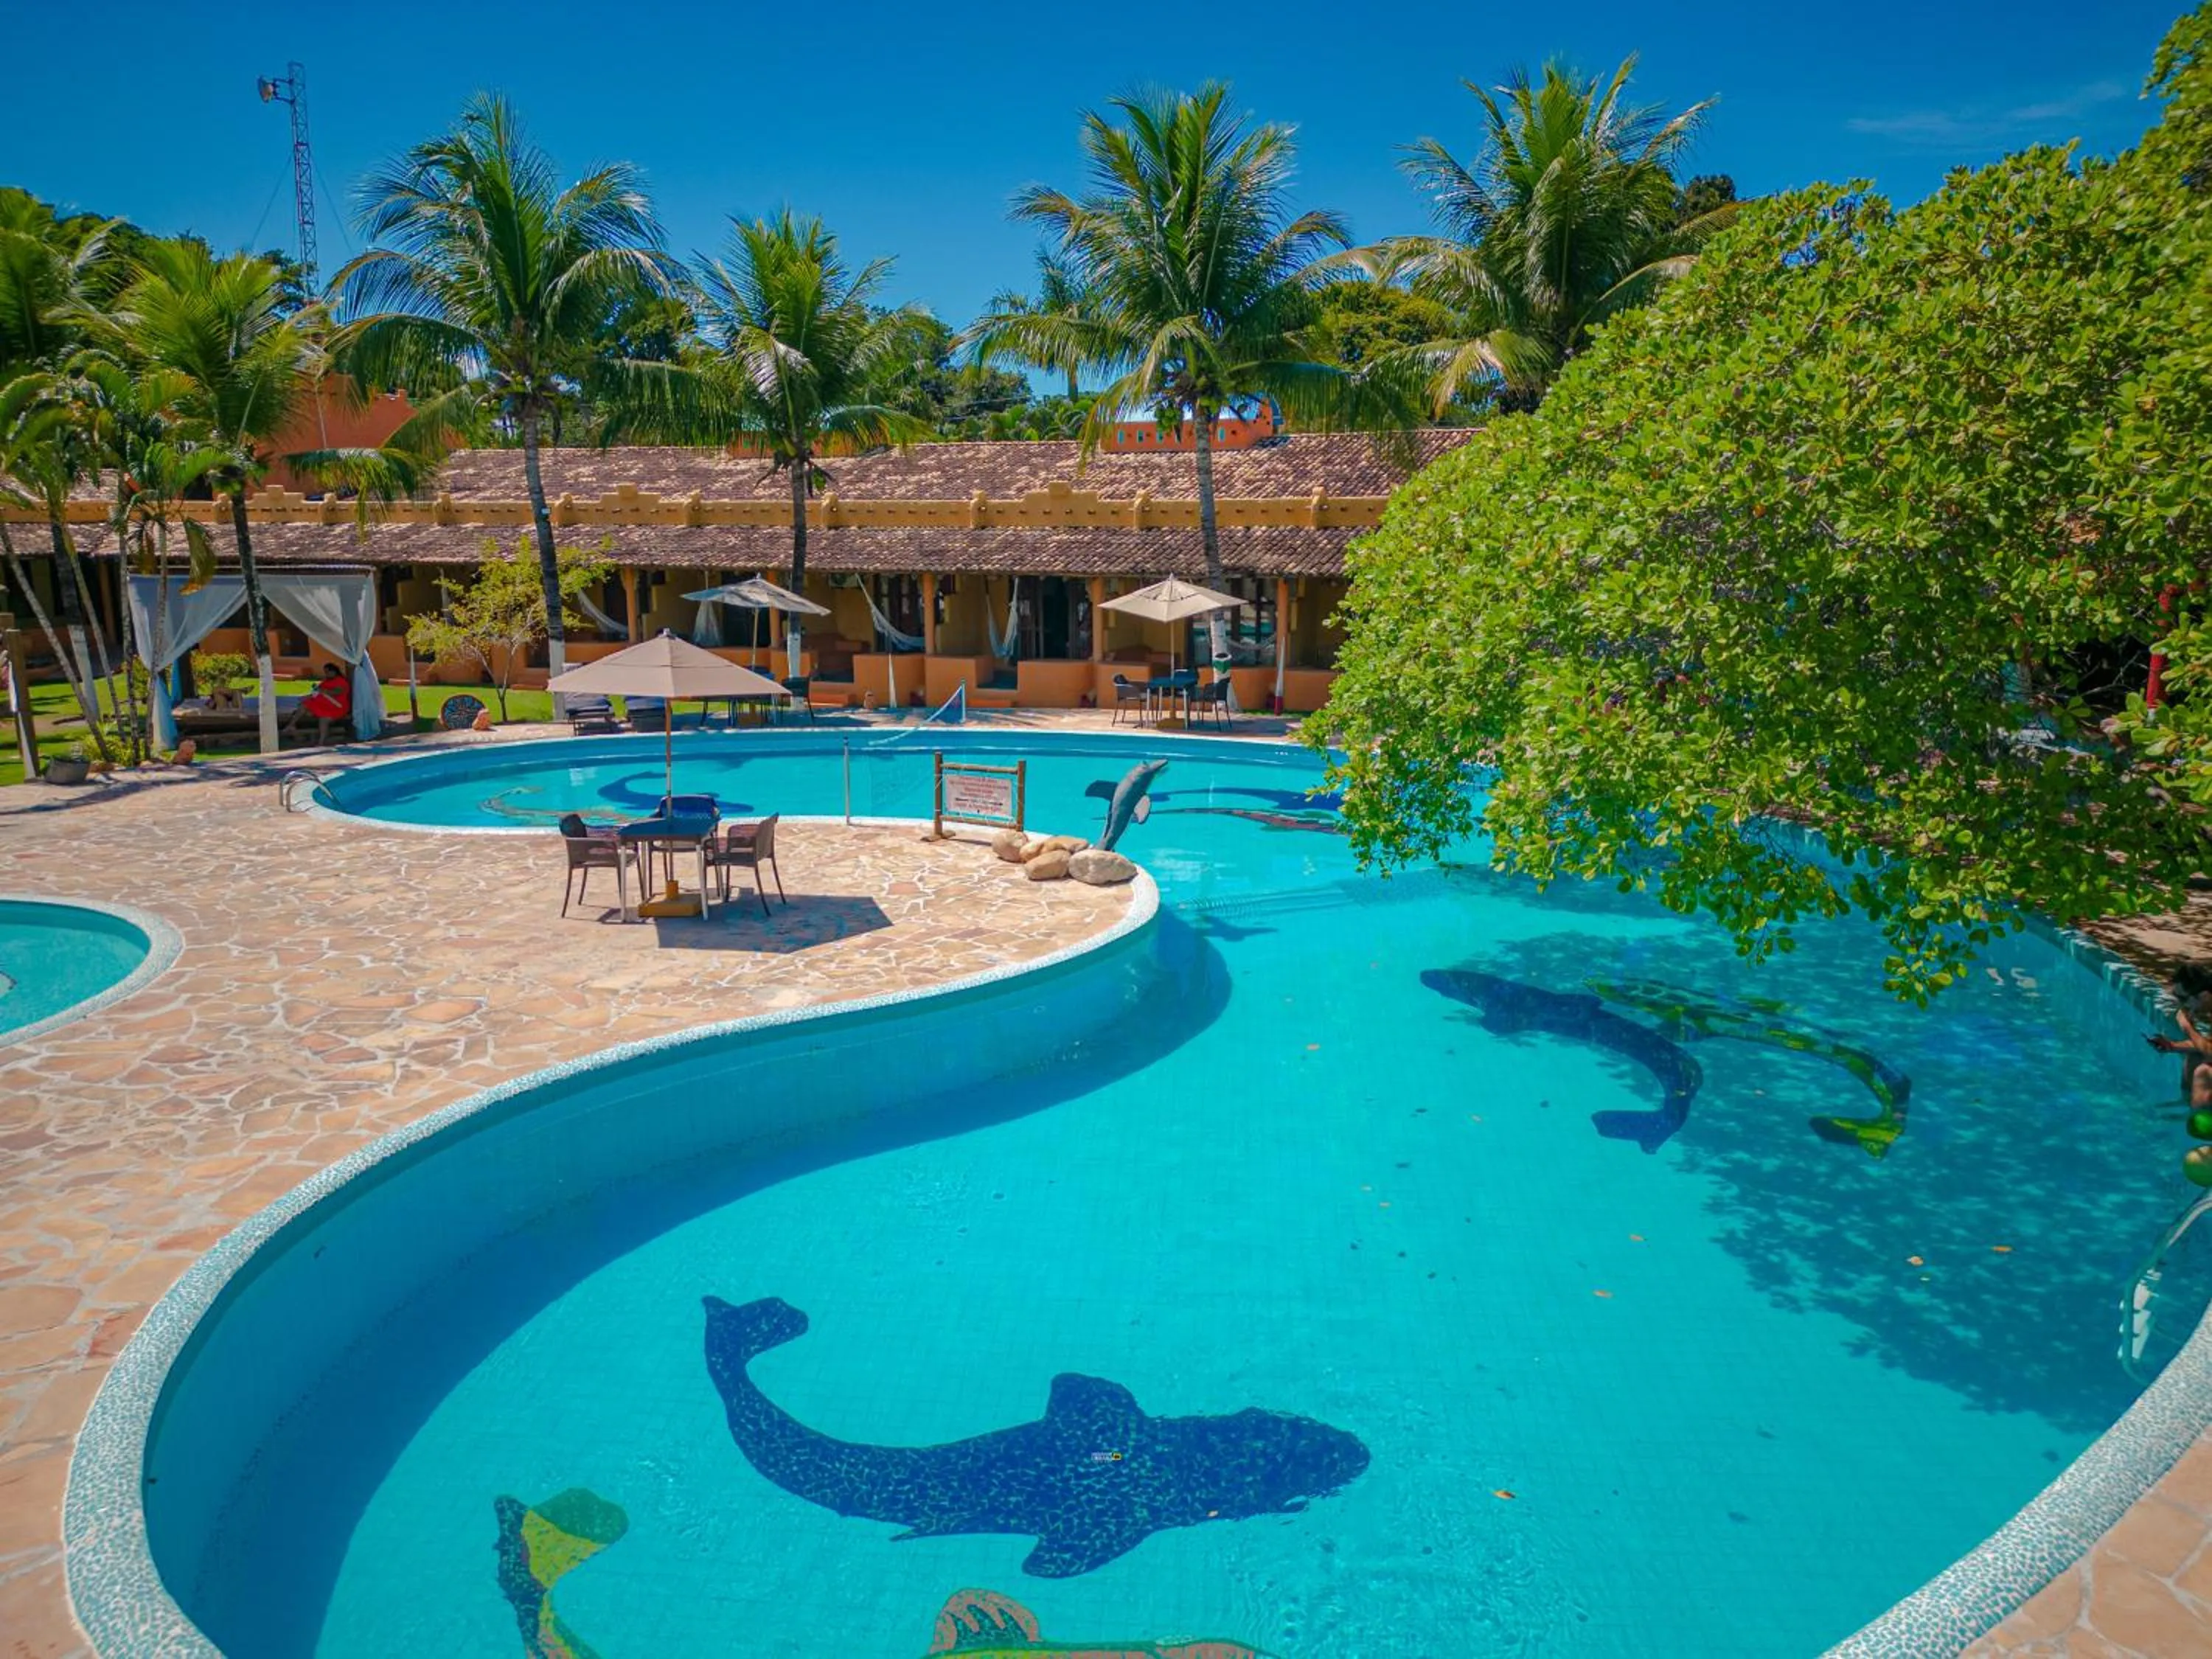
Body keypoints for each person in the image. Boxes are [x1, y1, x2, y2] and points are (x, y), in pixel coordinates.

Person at [286, 661, 352, 741]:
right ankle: (291, 726)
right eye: (325, 672)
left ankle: (321, 741)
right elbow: (316, 692)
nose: (326, 674)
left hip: (336, 707)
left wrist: (324, 691)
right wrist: (309, 696)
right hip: (324, 705)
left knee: (323, 719)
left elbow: (337, 692)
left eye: (327, 672)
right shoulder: (326, 681)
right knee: (304, 706)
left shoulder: (341, 681)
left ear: (334, 671)